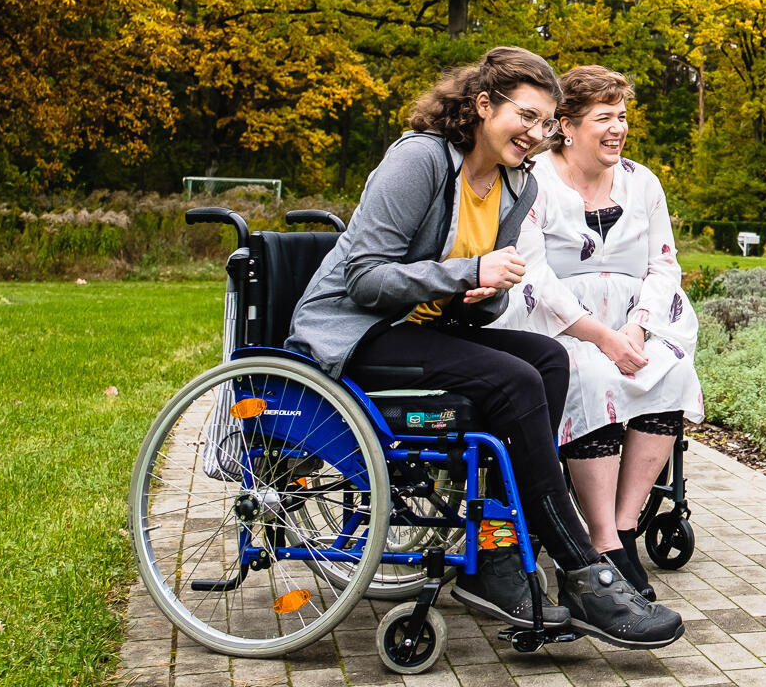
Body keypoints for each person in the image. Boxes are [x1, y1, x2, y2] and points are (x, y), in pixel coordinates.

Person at [284, 46, 684, 649]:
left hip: (426, 326)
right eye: (526, 115)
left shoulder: (515, 185)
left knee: (546, 359)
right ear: (481, 106)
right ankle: (580, 568)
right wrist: (467, 273)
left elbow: (482, 290)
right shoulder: (418, 160)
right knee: (515, 380)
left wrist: (485, 293)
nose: (535, 133)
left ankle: (493, 555)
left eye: (546, 122)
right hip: (356, 329)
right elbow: (366, 277)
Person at [493, 65, 702, 602]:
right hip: (556, 319)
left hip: (636, 318)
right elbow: (533, 272)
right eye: (604, 118)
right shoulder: (531, 178)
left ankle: (624, 527)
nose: (618, 128)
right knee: (588, 376)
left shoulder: (642, 181)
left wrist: (635, 327)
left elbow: (663, 265)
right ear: (566, 125)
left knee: (668, 370)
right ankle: (601, 539)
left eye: (623, 117)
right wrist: (601, 338)